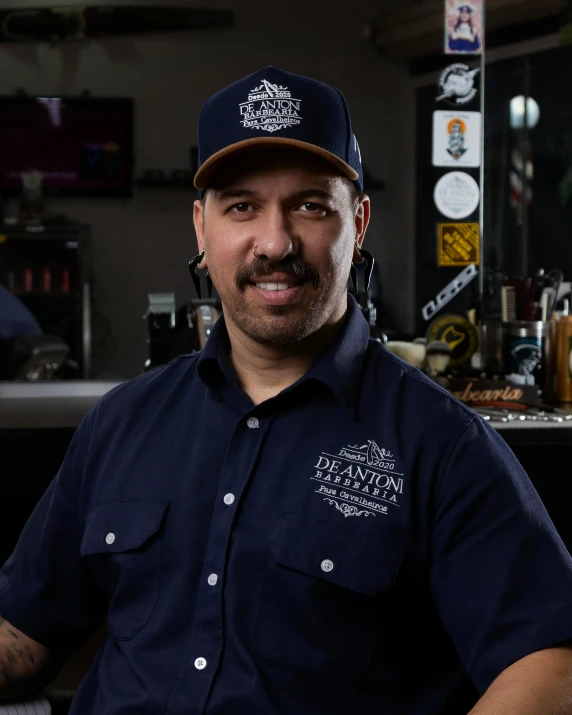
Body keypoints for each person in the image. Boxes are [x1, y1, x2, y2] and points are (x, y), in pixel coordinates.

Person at [0, 66, 571, 715]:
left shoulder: (441, 445)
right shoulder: (122, 422)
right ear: (201, 227)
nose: (274, 243)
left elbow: (549, 666)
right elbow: (22, 631)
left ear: (357, 224)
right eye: (242, 206)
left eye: (309, 205)